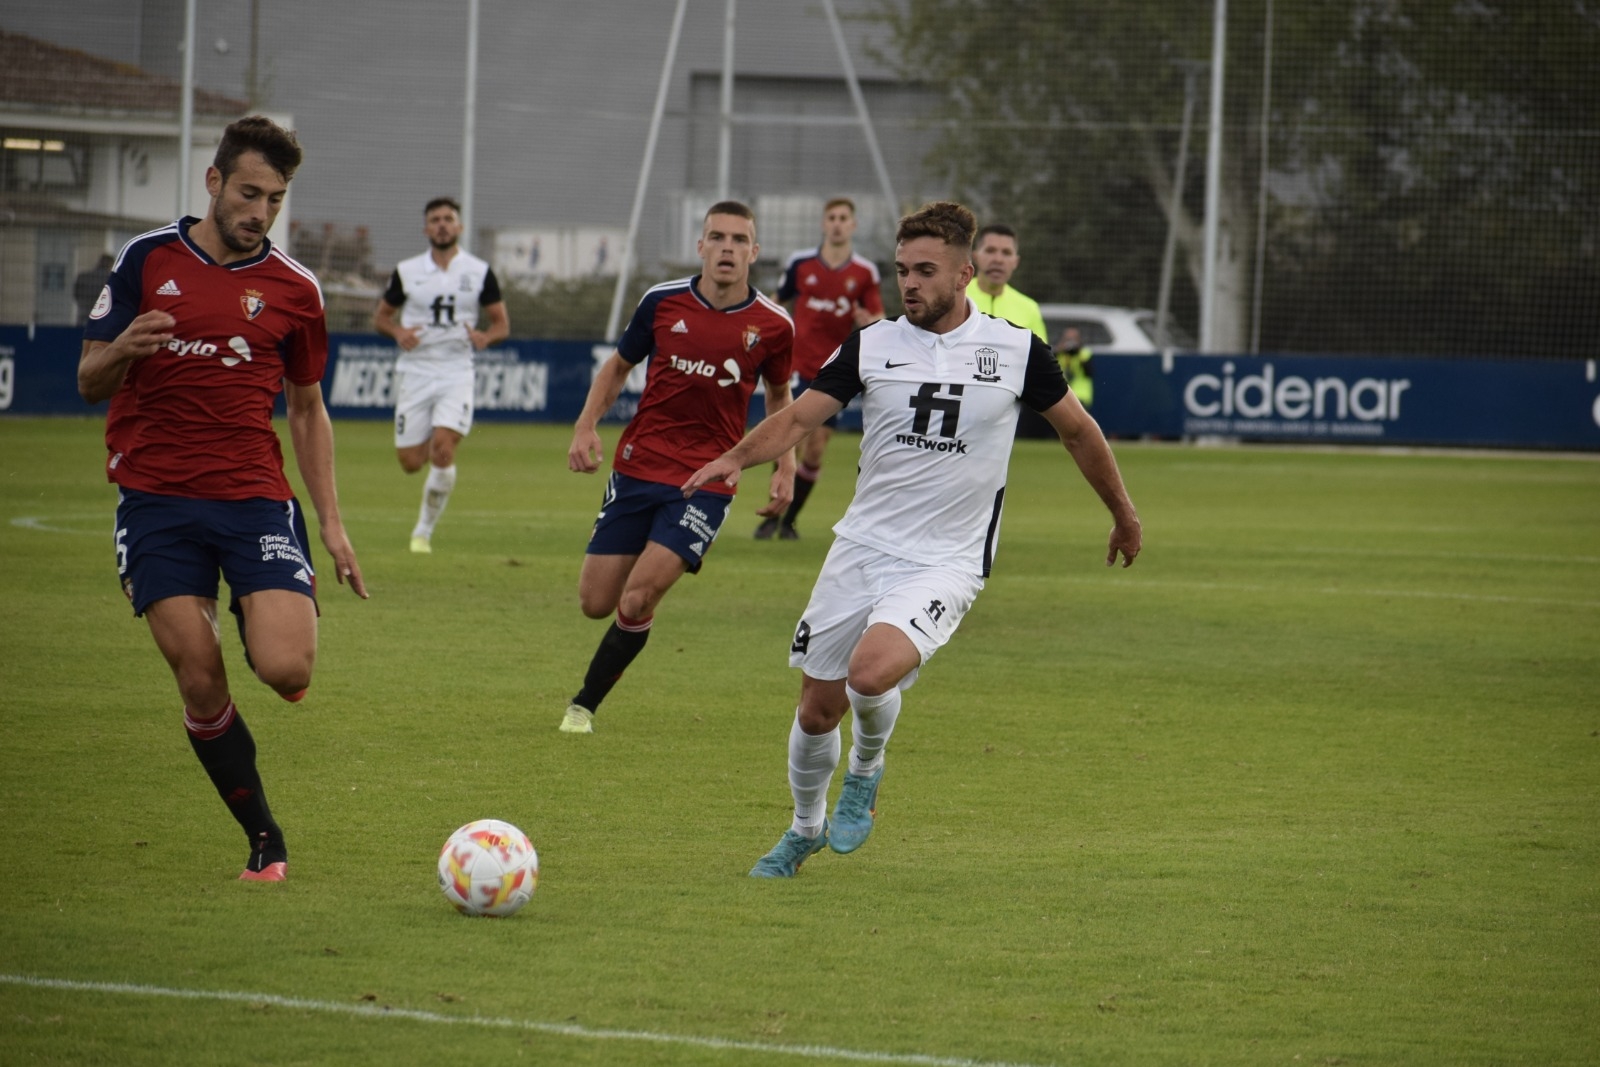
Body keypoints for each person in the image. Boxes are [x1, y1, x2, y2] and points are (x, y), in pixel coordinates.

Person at [683, 201, 1141, 878]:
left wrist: (1123, 512)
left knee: (870, 674)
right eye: (902, 270)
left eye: (926, 271)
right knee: (816, 708)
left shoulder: (1015, 349)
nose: (911, 284)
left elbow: (1079, 430)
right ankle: (804, 828)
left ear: (964, 274)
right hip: (862, 546)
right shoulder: (873, 344)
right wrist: (735, 457)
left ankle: (866, 769)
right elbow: (800, 416)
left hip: (946, 559)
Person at [77, 115, 367, 883]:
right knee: (200, 676)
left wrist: (333, 524)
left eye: (274, 199)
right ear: (213, 183)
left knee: (287, 670)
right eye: (248, 193)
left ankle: (260, 605)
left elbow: (307, 408)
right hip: (156, 502)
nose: (259, 212)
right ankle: (265, 840)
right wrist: (125, 348)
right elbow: (88, 377)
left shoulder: (295, 290)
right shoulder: (147, 259)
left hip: (253, 500)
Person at [560, 200, 795, 734]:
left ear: (754, 253)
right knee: (596, 603)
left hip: (707, 482)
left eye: (739, 240)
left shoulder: (773, 325)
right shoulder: (661, 302)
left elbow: (781, 397)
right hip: (639, 467)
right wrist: (585, 425)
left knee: (640, 595)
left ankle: (583, 705)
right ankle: (632, 621)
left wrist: (786, 467)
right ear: (701, 247)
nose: (727, 248)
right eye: (717, 237)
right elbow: (618, 366)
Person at [373, 197, 510, 553]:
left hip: (456, 370)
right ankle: (423, 519)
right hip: (415, 370)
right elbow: (381, 318)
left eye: (448, 218)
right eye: (435, 219)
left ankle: (422, 533)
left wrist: (486, 337)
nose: (442, 224)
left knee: (443, 451)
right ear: (426, 228)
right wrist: (398, 332)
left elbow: (501, 325)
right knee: (410, 463)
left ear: (459, 227)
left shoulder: (479, 271)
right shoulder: (408, 270)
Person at [756, 196, 884, 540]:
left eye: (844, 217)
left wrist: (867, 320)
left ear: (853, 225)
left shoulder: (864, 272)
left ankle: (790, 521)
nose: (838, 223)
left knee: (815, 450)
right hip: (796, 365)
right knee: (788, 443)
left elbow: (879, 318)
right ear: (823, 224)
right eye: (832, 217)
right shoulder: (801, 264)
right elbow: (775, 301)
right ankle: (771, 515)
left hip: (836, 371)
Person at [965, 224, 1047, 342]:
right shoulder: (955, 297)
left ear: (1016, 262)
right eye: (990, 251)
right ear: (975, 256)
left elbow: (1040, 359)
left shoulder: (1029, 309)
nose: (998, 259)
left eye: (1006, 253)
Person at [1056, 325, 1093, 408]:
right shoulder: (1060, 354)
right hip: (1062, 397)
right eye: (1068, 339)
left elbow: (1089, 372)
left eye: (1073, 339)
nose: (1071, 343)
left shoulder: (1084, 354)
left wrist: (1078, 353)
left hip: (1080, 395)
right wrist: (1059, 350)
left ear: (1079, 340)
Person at [74, 253, 115, 319]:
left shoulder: (84, 276)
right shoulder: (111, 279)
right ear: (111, 264)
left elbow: (76, 294)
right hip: (103, 314)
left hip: (84, 311)